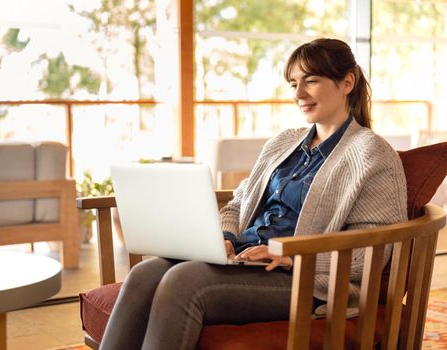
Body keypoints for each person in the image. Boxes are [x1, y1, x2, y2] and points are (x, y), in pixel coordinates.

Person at [99, 38, 408, 350]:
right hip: (244, 260)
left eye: (311, 81)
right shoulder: (282, 142)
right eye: (293, 84)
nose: (299, 94)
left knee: (183, 283)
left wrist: (288, 254)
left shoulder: (373, 153)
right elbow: (238, 203)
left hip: (303, 278)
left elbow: (375, 249)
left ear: (347, 82)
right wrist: (226, 237)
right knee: (143, 274)